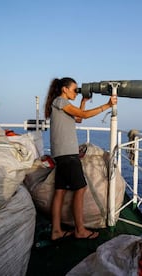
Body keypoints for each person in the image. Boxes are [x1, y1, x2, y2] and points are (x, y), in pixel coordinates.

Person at [44, 77, 117, 240]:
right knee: (80, 188)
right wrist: (107, 105)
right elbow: (84, 115)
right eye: (74, 89)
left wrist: (83, 101)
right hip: (68, 155)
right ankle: (80, 230)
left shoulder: (61, 104)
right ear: (65, 89)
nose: (75, 92)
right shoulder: (61, 101)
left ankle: (56, 231)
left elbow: (79, 118)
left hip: (61, 154)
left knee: (60, 192)